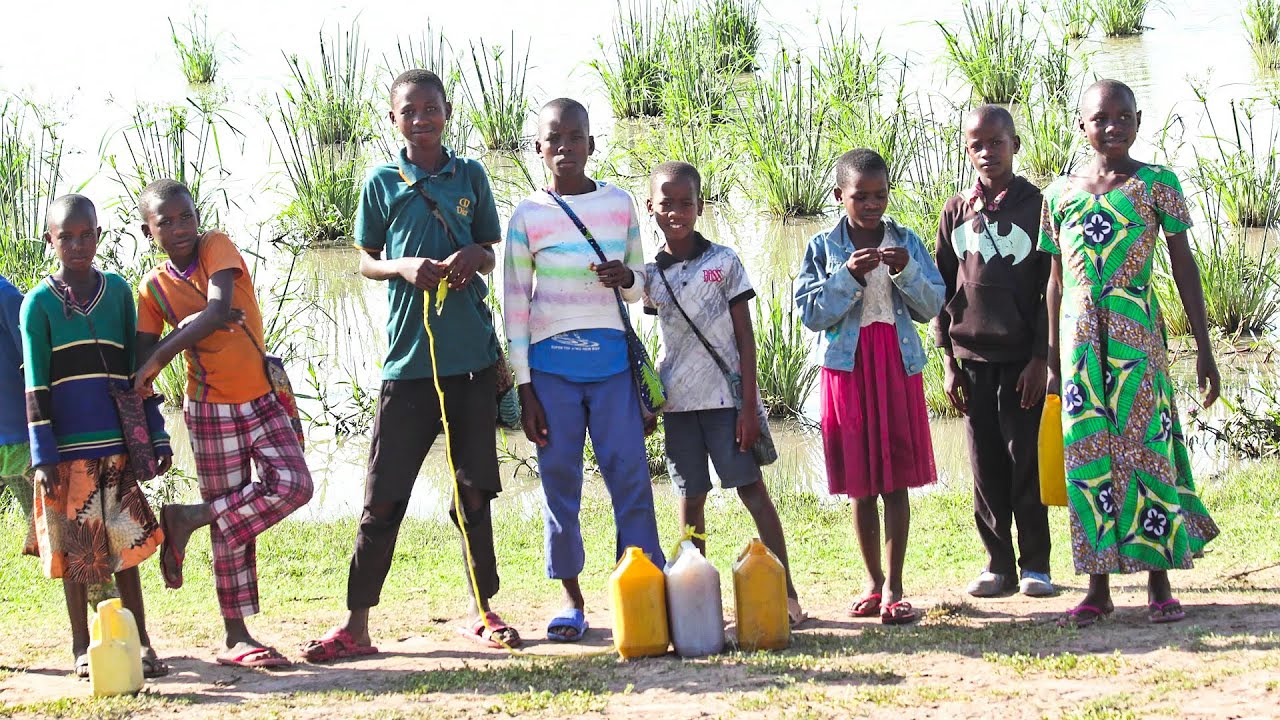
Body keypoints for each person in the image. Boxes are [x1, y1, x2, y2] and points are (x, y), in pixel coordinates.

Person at [303, 69, 518, 661]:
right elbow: (366, 259)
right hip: (407, 365)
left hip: (471, 363)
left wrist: (472, 256)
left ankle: (485, 611)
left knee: (474, 491)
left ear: (448, 111)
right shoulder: (381, 181)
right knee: (383, 495)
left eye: (431, 109)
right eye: (409, 111)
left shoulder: (470, 174)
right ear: (392, 118)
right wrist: (402, 267)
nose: (421, 119)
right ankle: (356, 624)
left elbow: (489, 251)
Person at [1042, 80, 1220, 627]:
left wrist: (1205, 348)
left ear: (1139, 121)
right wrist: (1052, 355)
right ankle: (1096, 587)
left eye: (1124, 117)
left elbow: (1184, 268)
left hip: (1137, 343)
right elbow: (1054, 278)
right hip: (1078, 349)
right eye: (1101, 118)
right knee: (1088, 458)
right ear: (1082, 126)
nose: (1112, 127)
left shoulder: (1156, 184)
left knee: (1147, 453)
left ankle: (1158, 581)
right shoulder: (1060, 193)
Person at [133, 179, 314, 668]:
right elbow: (144, 353)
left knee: (295, 485)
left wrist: (176, 343)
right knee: (233, 527)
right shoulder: (152, 290)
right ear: (148, 231)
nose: (178, 229)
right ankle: (237, 637)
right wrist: (171, 348)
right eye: (164, 222)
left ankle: (189, 517)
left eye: (185, 217)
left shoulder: (216, 246)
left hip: (261, 397)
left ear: (198, 216)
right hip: (209, 409)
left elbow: (215, 309)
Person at [505, 97, 664, 642]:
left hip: (613, 364)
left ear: (592, 145)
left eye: (576, 137)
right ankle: (571, 600)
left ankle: (641, 586)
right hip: (551, 372)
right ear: (539, 149)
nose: (565, 147)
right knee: (560, 484)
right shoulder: (527, 216)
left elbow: (646, 286)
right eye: (555, 138)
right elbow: (515, 306)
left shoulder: (619, 205)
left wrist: (626, 277)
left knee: (631, 477)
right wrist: (525, 387)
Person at [641, 161, 807, 625]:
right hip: (678, 405)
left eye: (686, 203)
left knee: (753, 491)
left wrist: (749, 405)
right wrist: (650, 402)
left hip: (726, 404)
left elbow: (745, 338)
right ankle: (695, 600)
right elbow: (665, 341)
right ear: (650, 206)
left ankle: (787, 592)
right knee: (691, 498)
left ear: (700, 205)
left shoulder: (725, 262)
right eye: (666, 203)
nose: (676, 212)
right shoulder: (650, 274)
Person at [21, 194, 171, 678]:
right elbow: (36, 386)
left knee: (125, 551)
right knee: (78, 555)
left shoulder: (119, 295)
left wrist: (157, 434)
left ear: (100, 236)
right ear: (51, 241)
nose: (78, 245)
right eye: (67, 236)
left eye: (87, 235)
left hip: (117, 451)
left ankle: (142, 642)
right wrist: (43, 457)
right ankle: (80, 647)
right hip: (67, 456)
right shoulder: (38, 305)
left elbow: (137, 373)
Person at [795, 149, 944, 625]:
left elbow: (931, 306)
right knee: (861, 483)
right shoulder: (823, 247)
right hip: (848, 368)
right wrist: (848, 276)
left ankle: (897, 587)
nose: (872, 204)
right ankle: (873, 581)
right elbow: (811, 314)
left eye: (880, 195)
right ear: (840, 196)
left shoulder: (906, 241)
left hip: (896, 364)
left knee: (896, 478)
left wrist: (906, 271)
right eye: (860, 196)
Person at [935, 105, 1055, 598]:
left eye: (997, 143)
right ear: (967, 150)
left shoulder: (1037, 205)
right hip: (972, 360)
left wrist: (1041, 358)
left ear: (1015, 145)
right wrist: (947, 359)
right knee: (985, 465)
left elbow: (1053, 285)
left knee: (1025, 459)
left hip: (1022, 359)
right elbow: (941, 286)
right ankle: (997, 564)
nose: (987, 152)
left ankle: (1036, 567)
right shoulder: (956, 209)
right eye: (976, 145)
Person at [0, 274, 33, 525]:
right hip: (6, 439)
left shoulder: (5, 294)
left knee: (45, 517)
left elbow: (32, 354)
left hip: (21, 436)